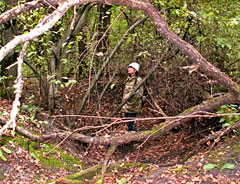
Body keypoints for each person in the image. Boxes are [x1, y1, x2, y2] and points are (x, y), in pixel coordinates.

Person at [122, 62, 143, 132]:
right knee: (128, 123)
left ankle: (134, 135)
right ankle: (131, 135)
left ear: (135, 70)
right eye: (129, 67)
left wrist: (130, 95)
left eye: (131, 68)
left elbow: (139, 93)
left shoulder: (138, 80)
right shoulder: (128, 79)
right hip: (127, 105)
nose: (129, 69)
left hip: (134, 105)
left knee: (130, 123)